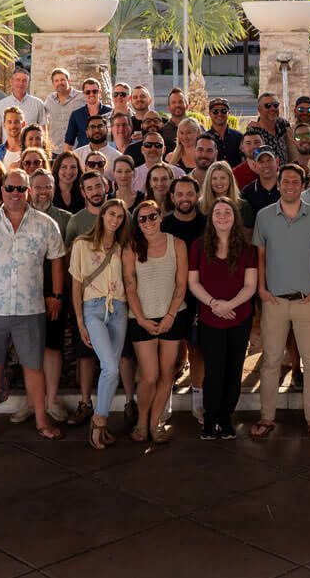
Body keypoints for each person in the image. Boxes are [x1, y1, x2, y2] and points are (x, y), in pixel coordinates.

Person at [0, 168, 66, 443]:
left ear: (28, 190)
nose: (15, 194)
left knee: (34, 366)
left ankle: (42, 420)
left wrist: (56, 294)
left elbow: (57, 260)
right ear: (3, 189)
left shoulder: (45, 224)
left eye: (21, 189)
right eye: (10, 188)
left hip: (30, 309)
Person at [252, 163, 310, 438]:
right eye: (285, 181)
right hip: (273, 301)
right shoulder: (264, 216)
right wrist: (261, 290)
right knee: (271, 361)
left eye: (295, 182)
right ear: (279, 183)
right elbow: (260, 257)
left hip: (307, 301)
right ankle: (267, 417)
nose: (289, 186)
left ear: (302, 185)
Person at [189, 197, 258, 440]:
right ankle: (210, 420)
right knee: (214, 371)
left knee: (233, 369)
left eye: (227, 212)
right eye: (217, 212)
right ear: (211, 218)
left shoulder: (247, 249)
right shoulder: (199, 246)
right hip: (210, 317)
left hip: (240, 317)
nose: (222, 216)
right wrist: (214, 304)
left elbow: (250, 286)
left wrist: (230, 304)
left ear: (234, 217)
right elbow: (193, 283)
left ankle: (226, 419)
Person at [124, 196, 189, 444]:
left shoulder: (178, 245)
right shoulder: (131, 248)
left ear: (161, 217)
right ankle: (142, 420)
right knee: (149, 376)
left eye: (153, 216)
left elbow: (181, 285)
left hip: (172, 316)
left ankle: (155, 423)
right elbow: (130, 288)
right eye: (143, 219)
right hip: (141, 319)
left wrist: (171, 315)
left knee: (166, 373)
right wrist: (140, 319)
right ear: (137, 223)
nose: (149, 222)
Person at [70, 198, 130, 449]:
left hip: (119, 308)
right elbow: (76, 286)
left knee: (111, 367)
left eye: (120, 216)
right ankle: (99, 420)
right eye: (111, 214)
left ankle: (100, 421)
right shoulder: (82, 244)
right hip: (93, 308)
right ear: (102, 215)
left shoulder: (123, 246)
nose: (115, 220)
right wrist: (81, 322)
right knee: (110, 367)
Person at [61, 172, 110, 426]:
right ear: (83, 192)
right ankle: (85, 402)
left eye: (98, 186)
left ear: (107, 186)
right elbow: (70, 264)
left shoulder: (120, 214)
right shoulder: (77, 221)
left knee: (121, 354)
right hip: (86, 298)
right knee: (86, 352)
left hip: (117, 298)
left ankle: (129, 402)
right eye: (89, 188)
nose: (95, 191)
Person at [26, 170, 72, 422]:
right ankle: (31, 402)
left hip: (56, 295)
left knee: (53, 347)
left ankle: (51, 400)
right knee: (29, 348)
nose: (42, 192)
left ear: (54, 189)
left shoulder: (66, 219)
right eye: (38, 187)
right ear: (29, 189)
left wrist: (58, 294)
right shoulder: (19, 216)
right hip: (26, 295)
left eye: (47, 187)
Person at [160, 176, 206, 423]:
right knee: (169, 354)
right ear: (172, 197)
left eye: (190, 194)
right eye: (180, 194)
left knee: (197, 350)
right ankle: (163, 403)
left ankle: (198, 403)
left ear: (197, 196)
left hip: (199, 298)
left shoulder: (207, 224)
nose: (185, 199)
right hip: (169, 299)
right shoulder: (163, 225)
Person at [0, 67, 46, 152]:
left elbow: (43, 130)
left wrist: (44, 151)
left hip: (31, 153)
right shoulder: (1, 104)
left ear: (28, 83)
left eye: (24, 80)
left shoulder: (38, 104)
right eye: (18, 80)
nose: (21, 83)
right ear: (11, 82)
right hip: (8, 152)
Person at [63, 78, 111, 151]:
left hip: (106, 155)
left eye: (94, 91)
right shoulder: (76, 114)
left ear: (100, 92)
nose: (91, 94)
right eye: (88, 92)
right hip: (83, 156)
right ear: (83, 93)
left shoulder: (110, 112)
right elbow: (68, 142)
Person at [199, 160, 252, 226]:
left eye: (223, 178)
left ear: (230, 180)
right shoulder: (200, 206)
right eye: (214, 178)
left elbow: (247, 234)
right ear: (209, 181)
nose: (218, 182)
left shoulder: (243, 206)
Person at [44, 67, 86, 152]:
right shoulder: (49, 99)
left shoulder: (82, 97)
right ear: (53, 83)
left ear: (69, 81)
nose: (59, 83)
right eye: (56, 81)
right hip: (55, 150)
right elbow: (42, 120)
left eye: (62, 79)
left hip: (77, 149)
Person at [242, 146, 282, 221]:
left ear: (277, 162)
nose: (266, 165)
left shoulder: (288, 187)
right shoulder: (247, 193)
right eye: (261, 162)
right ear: (255, 166)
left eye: (269, 160)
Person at [201, 97, 243, 166]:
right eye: (215, 111)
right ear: (209, 114)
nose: (219, 114)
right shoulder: (204, 139)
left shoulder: (239, 137)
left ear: (228, 113)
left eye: (223, 111)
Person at [251, 92, 291, 163]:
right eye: (268, 106)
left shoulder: (283, 124)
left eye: (275, 105)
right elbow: (251, 157)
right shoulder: (254, 133)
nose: (272, 108)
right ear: (259, 109)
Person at [158, 86, 189, 153]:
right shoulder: (163, 131)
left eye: (180, 102)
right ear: (168, 108)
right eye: (174, 102)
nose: (177, 105)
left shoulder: (197, 128)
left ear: (187, 106)